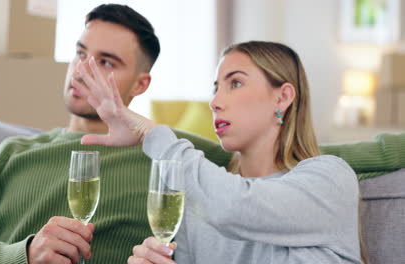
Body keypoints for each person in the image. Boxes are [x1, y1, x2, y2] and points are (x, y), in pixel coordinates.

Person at [0, 4, 231, 264]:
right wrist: (21, 256)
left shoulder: (178, 154)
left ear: (141, 85)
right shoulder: (6, 156)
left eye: (105, 62)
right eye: (80, 53)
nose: (80, 70)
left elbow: (269, 168)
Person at [75, 41, 365, 263]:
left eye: (235, 83)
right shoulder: (199, 203)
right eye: (215, 88)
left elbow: (236, 206)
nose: (214, 101)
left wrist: (150, 134)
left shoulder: (330, 179)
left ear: (283, 96)